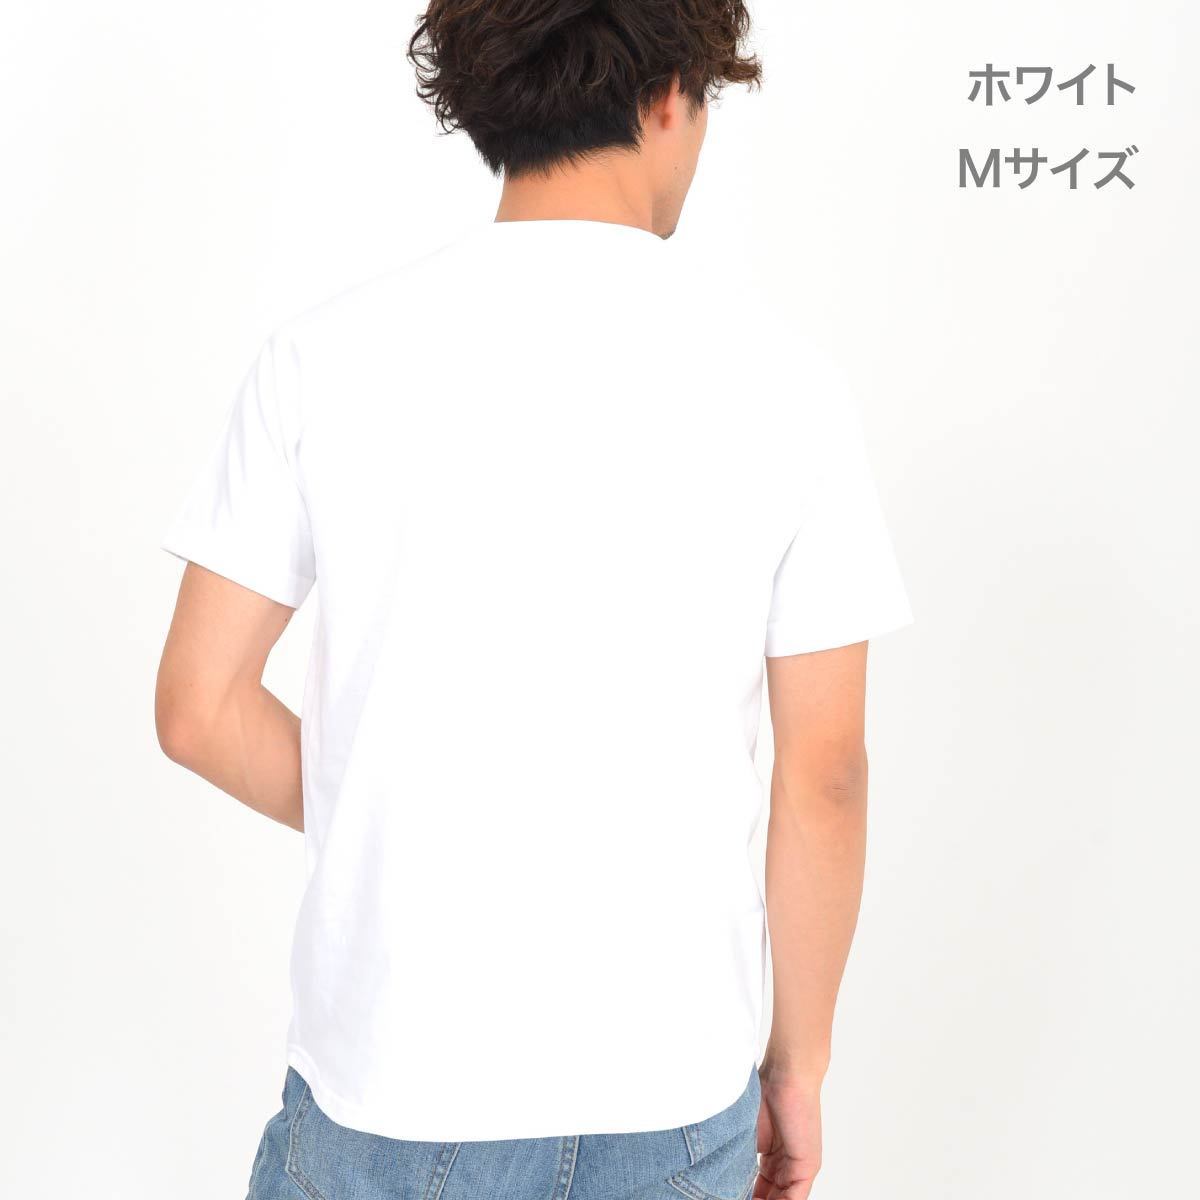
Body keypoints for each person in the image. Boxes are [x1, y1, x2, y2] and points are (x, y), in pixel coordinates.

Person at [154, 3, 913, 1198]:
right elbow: (825, 774)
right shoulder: (787, 388)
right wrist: (799, 1066)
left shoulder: (323, 358)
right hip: (666, 1094)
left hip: (388, 1087)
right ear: (670, 96)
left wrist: (392, 812)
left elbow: (199, 708)